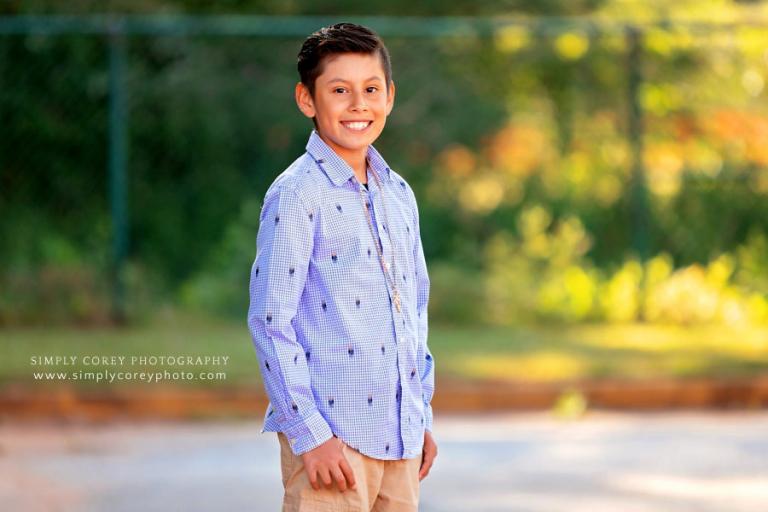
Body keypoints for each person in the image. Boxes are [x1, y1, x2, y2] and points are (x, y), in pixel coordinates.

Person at [247, 22, 437, 512]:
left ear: (390, 97)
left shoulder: (398, 194)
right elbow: (271, 322)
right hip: (333, 443)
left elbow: (413, 313)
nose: (358, 105)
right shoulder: (296, 195)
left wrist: (420, 418)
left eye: (371, 89)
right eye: (339, 90)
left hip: (400, 441)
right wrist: (310, 437)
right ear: (307, 100)